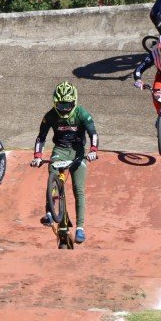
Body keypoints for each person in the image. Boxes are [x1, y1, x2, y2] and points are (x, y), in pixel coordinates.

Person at [29, 81, 99, 244]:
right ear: (55, 103)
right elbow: (41, 137)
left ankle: (80, 228)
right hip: (59, 150)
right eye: (61, 105)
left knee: (78, 188)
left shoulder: (82, 113)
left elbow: (93, 134)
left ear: (74, 102)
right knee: (52, 175)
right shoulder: (50, 116)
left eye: (68, 105)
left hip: (77, 151)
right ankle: (49, 213)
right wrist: (38, 155)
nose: (65, 109)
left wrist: (93, 151)